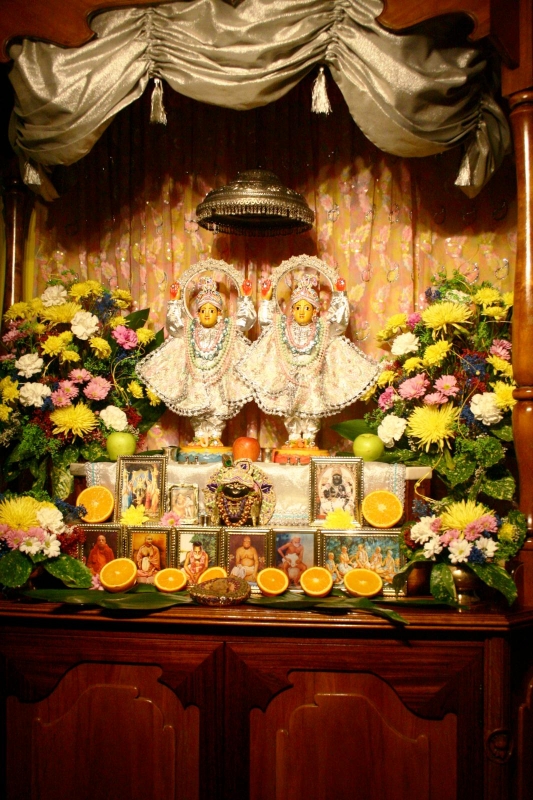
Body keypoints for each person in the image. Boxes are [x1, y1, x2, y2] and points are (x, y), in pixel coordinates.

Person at [236, 260, 380, 446]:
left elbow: (339, 323)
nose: (301, 312)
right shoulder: (282, 328)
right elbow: (266, 323)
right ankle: (294, 438)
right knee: (290, 411)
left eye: (306, 308)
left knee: (311, 411)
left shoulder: (322, 328)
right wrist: (266, 300)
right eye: (297, 307)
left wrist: (340, 296)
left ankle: (309, 439)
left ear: (314, 311)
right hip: (288, 379)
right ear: (291, 310)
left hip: (313, 379)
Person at [135, 270, 256, 446]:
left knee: (217, 407)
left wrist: (246, 298)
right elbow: (174, 327)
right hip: (196, 378)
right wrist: (175, 301)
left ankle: (215, 436)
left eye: (211, 310)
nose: (206, 314)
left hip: (219, 379)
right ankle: (199, 436)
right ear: (197, 313)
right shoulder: (190, 329)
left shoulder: (227, 328)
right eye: (202, 310)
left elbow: (245, 321)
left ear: (219, 313)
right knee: (196, 408)